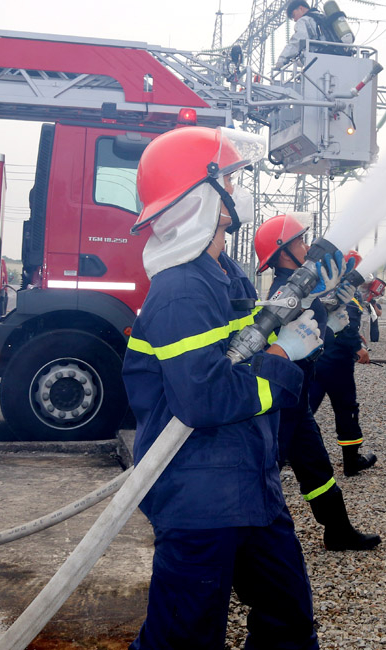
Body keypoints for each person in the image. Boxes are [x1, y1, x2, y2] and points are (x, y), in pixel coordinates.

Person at [123, 126, 323, 649]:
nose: (237, 191)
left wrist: (280, 326)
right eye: (228, 181)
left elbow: (238, 350)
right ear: (200, 194)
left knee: (288, 622)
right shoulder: (180, 289)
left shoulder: (221, 274)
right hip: (200, 499)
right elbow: (203, 397)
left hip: (250, 487)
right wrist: (283, 357)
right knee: (182, 640)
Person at [254, 213, 381, 550]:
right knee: (264, 470)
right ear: (283, 252)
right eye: (299, 241)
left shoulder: (299, 288)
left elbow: (309, 330)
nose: (307, 246)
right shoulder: (285, 291)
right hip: (280, 398)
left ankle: (337, 530)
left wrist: (333, 317)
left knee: (316, 467)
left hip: (295, 394)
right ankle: (248, 544)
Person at [312, 266, 379, 478]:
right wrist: (357, 348)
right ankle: (351, 461)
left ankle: (283, 453)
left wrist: (357, 338)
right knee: (346, 409)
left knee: (303, 408)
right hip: (337, 362)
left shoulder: (326, 287)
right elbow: (344, 326)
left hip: (316, 358)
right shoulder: (347, 293)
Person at [274, 0, 323, 70]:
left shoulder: (303, 20)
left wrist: (281, 60)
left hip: (316, 59)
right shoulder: (323, 17)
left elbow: (297, 41)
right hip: (336, 56)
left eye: (293, 15)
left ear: (301, 8)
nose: (295, 20)